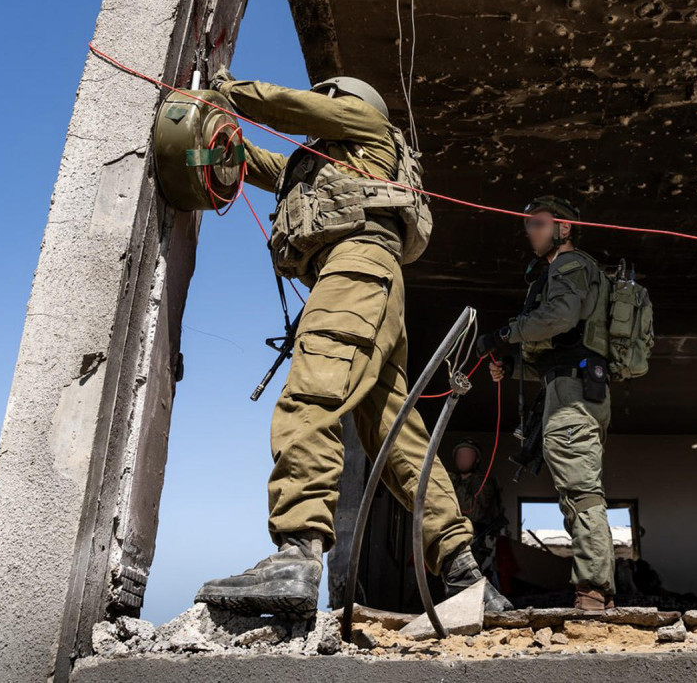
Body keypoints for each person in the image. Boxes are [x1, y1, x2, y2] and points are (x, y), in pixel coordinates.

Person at [193, 69, 512, 616]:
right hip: (371, 280)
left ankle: (297, 553)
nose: (319, 119)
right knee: (396, 434)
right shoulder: (331, 162)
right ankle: (464, 573)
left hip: (354, 270)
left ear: (342, 103)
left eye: (327, 105)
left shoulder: (367, 125)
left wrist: (224, 91)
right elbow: (266, 164)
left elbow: (291, 110)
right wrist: (223, 141)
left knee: (313, 393)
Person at [477, 196, 616, 611]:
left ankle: (593, 590)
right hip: (573, 384)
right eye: (527, 225)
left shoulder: (569, 266)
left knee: (580, 488)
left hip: (575, 393)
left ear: (564, 228)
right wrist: (513, 364)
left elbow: (559, 318)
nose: (530, 232)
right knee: (578, 486)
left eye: (537, 223)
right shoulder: (569, 270)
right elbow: (564, 348)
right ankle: (598, 591)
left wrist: (505, 335)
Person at [448, 438, 507, 578]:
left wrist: (454, 485)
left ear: (476, 460)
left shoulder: (483, 482)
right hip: (451, 544)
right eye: (460, 455)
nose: (463, 459)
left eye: (468, 455)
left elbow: (475, 512)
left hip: (473, 547)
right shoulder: (452, 480)